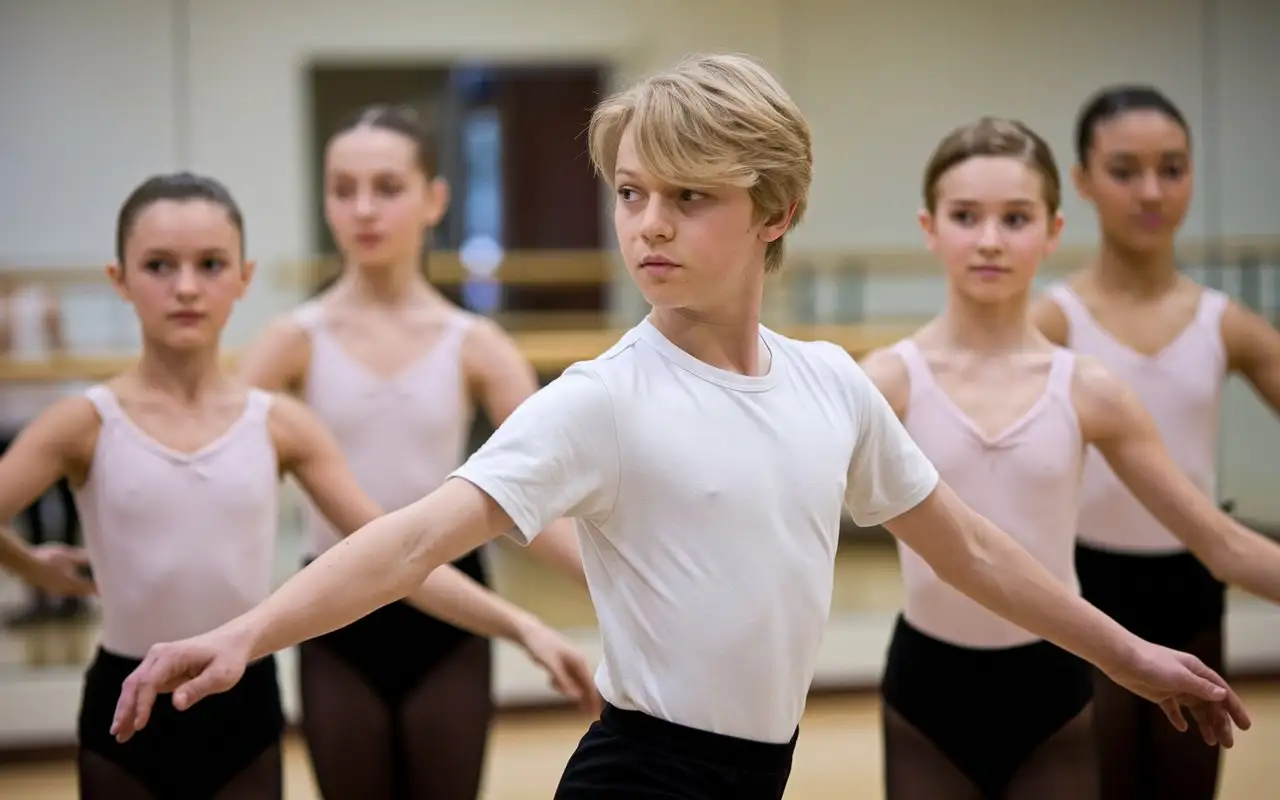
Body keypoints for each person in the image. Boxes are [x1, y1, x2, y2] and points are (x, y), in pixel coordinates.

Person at [109, 55, 1250, 800]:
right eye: (631, 192)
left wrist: (1128, 654)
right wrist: (246, 632)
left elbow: (974, 547)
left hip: (763, 772)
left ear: (775, 211)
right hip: (643, 773)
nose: (646, 225)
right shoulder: (604, 397)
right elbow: (413, 536)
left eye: (687, 196)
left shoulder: (829, 385)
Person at [0, 171, 595, 800]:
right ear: (118, 279)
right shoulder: (83, 424)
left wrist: (523, 626)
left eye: (209, 264)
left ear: (243, 277)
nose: (185, 287)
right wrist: (27, 564)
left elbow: (397, 552)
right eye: (158, 265)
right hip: (126, 709)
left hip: (243, 711)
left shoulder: (282, 426)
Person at [863, 116, 1280, 800]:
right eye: (966, 216)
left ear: (1053, 231)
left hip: (1053, 691)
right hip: (927, 689)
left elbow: (1222, 543)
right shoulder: (887, 383)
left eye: (1016, 218)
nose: (990, 240)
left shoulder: (1088, 390)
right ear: (929, 227)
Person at [236, 103, 589, 800]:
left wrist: (632, 583)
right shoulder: (292, 339)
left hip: (452, 613)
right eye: (344, 189)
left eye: (388, 187)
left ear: (434, 200)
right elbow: (215, 474)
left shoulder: (476, 343)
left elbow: (535, 501)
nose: (364, 208)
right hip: (334, 608)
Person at [1030, 85, 1280, 800]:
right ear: (1081, 181)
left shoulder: (1223, 323)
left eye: (1172, 168)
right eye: (1125, 169)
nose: (1151, 191)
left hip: (1192, 585)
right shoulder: (1054, 322)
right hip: (1087, 588)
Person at [1, 278, 86, 624]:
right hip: (14, 418)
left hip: (45, 412)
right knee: (30, 512)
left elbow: (61, 350)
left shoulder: (43, 303)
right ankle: (39, 592)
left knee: (67, 506)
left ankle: (71, 593)